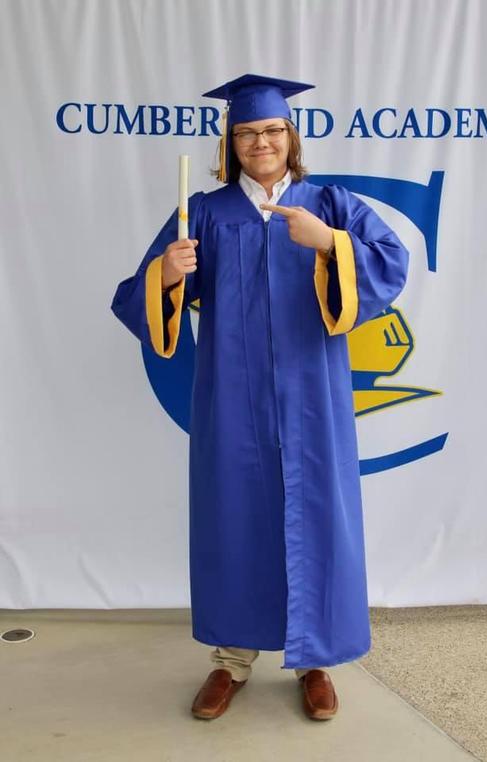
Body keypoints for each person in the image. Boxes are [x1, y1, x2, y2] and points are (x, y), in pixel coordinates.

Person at [111, 73, 409, 721]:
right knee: (234, 516)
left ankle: (314, 661)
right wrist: (168, 274)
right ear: (231, 142)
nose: (260, 142)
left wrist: (329, 242)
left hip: (313, 394)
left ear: (291, 137)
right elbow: (137, 296)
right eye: (246, 133)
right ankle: (231, 661)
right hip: (231, 397)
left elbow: (391, 261)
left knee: (316, 513)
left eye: (272, 130)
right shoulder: (205, 211)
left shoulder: (328, 203)